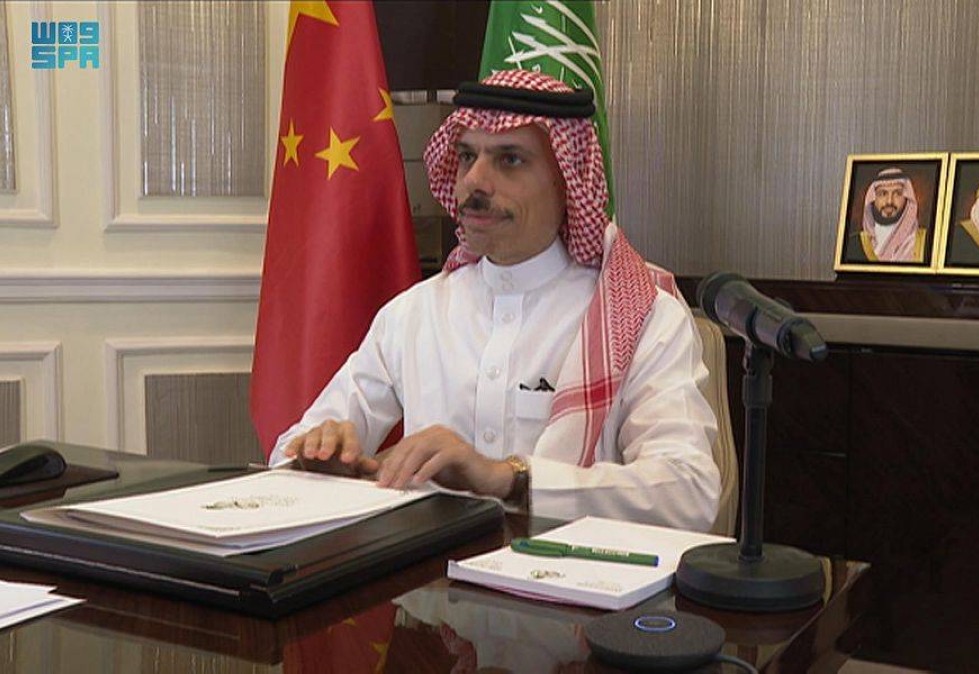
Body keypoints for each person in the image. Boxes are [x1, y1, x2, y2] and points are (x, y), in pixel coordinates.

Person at [268, 69, 721, 532]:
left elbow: (688, 493)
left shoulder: (639, 314)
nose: (474, 181)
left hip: (573, 577)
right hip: (431, 578)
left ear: (567, 182)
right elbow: (289, 451)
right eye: (467, 156)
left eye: (509, 160)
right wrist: (320, 457)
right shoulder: (414, 314)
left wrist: (510, 479)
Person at [843, 167, 927, 263]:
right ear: (873, 198)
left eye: (897, 193)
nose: (889, 201)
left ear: (907, 199)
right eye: (883, 193)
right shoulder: (853, 244)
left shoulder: (924, 242)